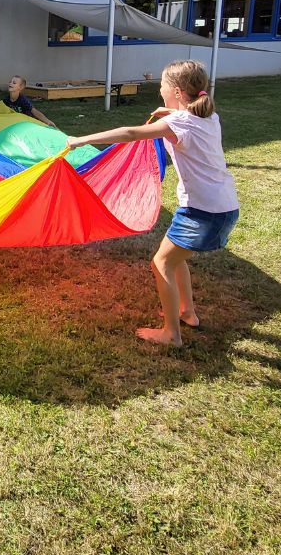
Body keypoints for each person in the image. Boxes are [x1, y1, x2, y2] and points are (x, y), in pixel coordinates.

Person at [65, 60, 238, 347]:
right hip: (224, 207)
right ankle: (187, 313)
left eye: (162, 86)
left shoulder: (178, 123)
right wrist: (171, 113)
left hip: (203, 212)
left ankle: (171, 334)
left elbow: (130, 133)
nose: (159, 89)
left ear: (179, 92)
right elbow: (186, 122)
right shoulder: (209, 117)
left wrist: (81, 140)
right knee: (175, 259)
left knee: (161, 263)